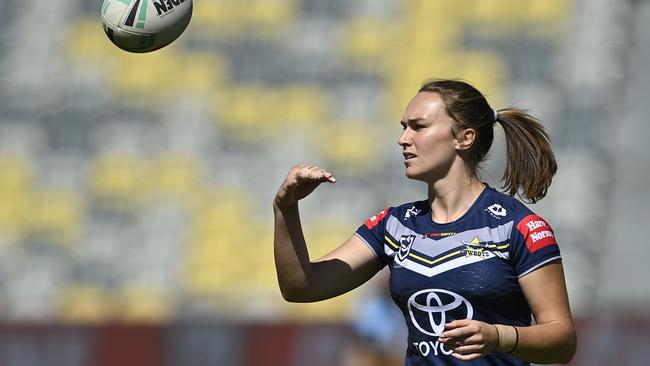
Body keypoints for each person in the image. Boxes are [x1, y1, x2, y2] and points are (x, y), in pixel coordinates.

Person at [273, 79, 577, 365]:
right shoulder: (393, 225)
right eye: (404, 127)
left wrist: (499, 336)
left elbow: (563, 339)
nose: (403, 139)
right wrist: (286, 208)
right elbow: (301, 287)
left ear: (464, 137)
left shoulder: (518, 227)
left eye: (418, 127)